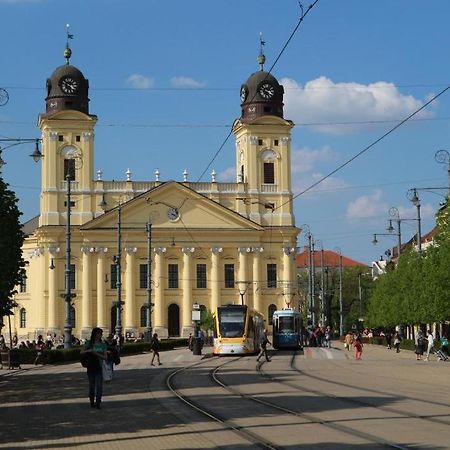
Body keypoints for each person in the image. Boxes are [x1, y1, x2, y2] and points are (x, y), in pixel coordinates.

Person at [81, 327, 107, 409]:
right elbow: (81, 352)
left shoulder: (103, 345)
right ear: (95, 334)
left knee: (99, 386)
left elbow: (105, 357)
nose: (100, 335)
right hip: (91, 367)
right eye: (99, 333)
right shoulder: (89, 343)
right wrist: (89, 351)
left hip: (99, 367)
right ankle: (92, 401)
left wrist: (96, 353)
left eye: (101, 334)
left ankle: (98, 402)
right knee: (92, 386)